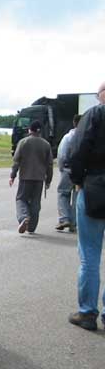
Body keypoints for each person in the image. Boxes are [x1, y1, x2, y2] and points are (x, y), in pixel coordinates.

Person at [67, 81, 105, 331]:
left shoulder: (95, 114)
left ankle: (87, 312)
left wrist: (78, 180)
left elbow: (78, 150)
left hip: (94, 186)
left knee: (89, 254)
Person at [9, 120, 53, 234]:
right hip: (39, 179)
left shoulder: (23, 142)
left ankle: (24, 217)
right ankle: (31, 227)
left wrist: (13, 175)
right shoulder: (46, 144)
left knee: (21, 199)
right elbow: (49, 164)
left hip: (25, 177)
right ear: (40, 131)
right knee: (35, 202)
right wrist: (48, 180)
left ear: (30, 130)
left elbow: (16, 161)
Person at [56, 114, 81, 232]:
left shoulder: (68, 137)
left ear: (73, 123)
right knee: (77, 196)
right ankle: (73, 222)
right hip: (80, 171)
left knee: (63, 193)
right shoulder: (85, 136)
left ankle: (64, 218)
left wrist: (61, 167)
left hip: (67, 169)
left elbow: (62, 155)